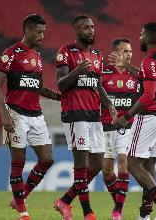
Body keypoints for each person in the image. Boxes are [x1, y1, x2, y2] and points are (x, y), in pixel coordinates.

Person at [0, 14, 60, 220]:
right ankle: (22, 210)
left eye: (44, 32)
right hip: (16, 113)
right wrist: (4, 113)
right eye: (38, 32)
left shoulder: (37, 57)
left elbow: (37, 87)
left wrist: (57, 96)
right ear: (27, 30)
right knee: (18, 162)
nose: (42, 36)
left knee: (47, 159)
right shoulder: (11, 53)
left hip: (36, 114)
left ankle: (20, 197)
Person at [53, 15, 117, 220]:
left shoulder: (97, 55)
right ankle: (88, 213)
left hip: (93, 116)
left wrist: (109, 104)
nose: (91, 31)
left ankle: (64, 201)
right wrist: (76, 72)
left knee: (97, 164)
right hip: (75, 115)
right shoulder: (66, 52)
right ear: (76, 30)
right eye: (86, 28)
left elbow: (97, 86)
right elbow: (61, 85)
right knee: (81, 165)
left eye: (92, 27)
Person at [114, 22, 156, 220]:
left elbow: (148, 95)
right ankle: (145, 215)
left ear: (148, 38)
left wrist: (126, 116)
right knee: (149, 165)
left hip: (149, 117)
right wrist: (126, 66)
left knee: (132, 163)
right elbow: (146, 79)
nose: (139, 37)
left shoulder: (149, 61)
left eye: (141, 34)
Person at [101, 38, 138, 220]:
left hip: (126, 126)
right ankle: (119, 201)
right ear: (115, 53)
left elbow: (147, 81)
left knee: (123, 161)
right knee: (107, 171)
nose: (129, 54)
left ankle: (117, 211)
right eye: (125, 51)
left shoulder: (135, 74)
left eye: (130, 51)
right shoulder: (104, 73)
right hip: (105, 126)